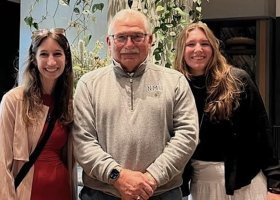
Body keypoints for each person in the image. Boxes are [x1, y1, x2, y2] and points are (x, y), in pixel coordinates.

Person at [72, 9, 199, 200]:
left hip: (162, 193)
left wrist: (152, 178)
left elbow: (187, 135)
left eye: (137, 37)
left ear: (150, 40)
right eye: (121, 37)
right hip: (102, 194)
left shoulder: (175, 82)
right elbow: (83, 141)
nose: (129, 44)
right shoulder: (89, 84)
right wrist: (117, 177)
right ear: (109, 42)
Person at [174, 21, 280, 200]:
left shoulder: (238, 80)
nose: (198, 49)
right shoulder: (175, 87)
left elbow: (262, 133)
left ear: (214, 48)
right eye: (190, 44)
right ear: (181, 51)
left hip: (246, 183)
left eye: (204, 43)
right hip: (201, 186)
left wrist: (275, 187)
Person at [0, 28, 77, 200]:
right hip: (26, 192)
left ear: (66, 60)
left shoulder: (69, 104)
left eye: (57, 54)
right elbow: (2, 160)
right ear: (34, 59)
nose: (51, 62)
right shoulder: (13, 101)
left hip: (61, 190)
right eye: (44, 54)